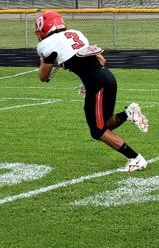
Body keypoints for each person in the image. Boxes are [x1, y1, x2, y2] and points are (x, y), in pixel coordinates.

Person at [35, 10, 149, 172]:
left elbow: (43, 76)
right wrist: (87, 82)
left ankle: (135, 158)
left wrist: (47, 62)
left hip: (97, 84)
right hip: (107, 77)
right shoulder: (75, 33)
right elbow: (100, 59)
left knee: (97, 131)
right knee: (105, 122)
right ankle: (128, 114)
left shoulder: (46, 45)